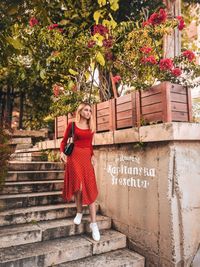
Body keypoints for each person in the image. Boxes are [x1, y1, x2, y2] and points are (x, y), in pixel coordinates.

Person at [60, 102, 100, 241]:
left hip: (86, 158)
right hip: (74, 157)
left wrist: (93, 155)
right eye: (86, 110)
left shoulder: (91, 127)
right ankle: (79, 212)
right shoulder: (72, 125)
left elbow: (90, 145)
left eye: (90, 110)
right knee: (77, 187)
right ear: (80, 111)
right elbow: (63, 142)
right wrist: (62, 153)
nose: (89, 112)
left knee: (89, 189)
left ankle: (94, 224)